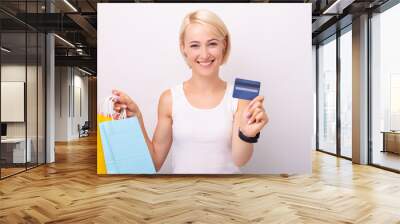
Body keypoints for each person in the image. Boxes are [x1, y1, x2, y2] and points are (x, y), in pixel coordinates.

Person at [112, 9, 269, 174]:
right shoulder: (169, 99)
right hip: (183, 196)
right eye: (195, 45)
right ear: (184, 48)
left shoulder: (240, 97)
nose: (204, 54)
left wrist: (247, 134)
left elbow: (240, 160)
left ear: (224, 44)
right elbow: (155, 162)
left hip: (226, 196)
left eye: (212, 43)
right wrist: (137, 118)